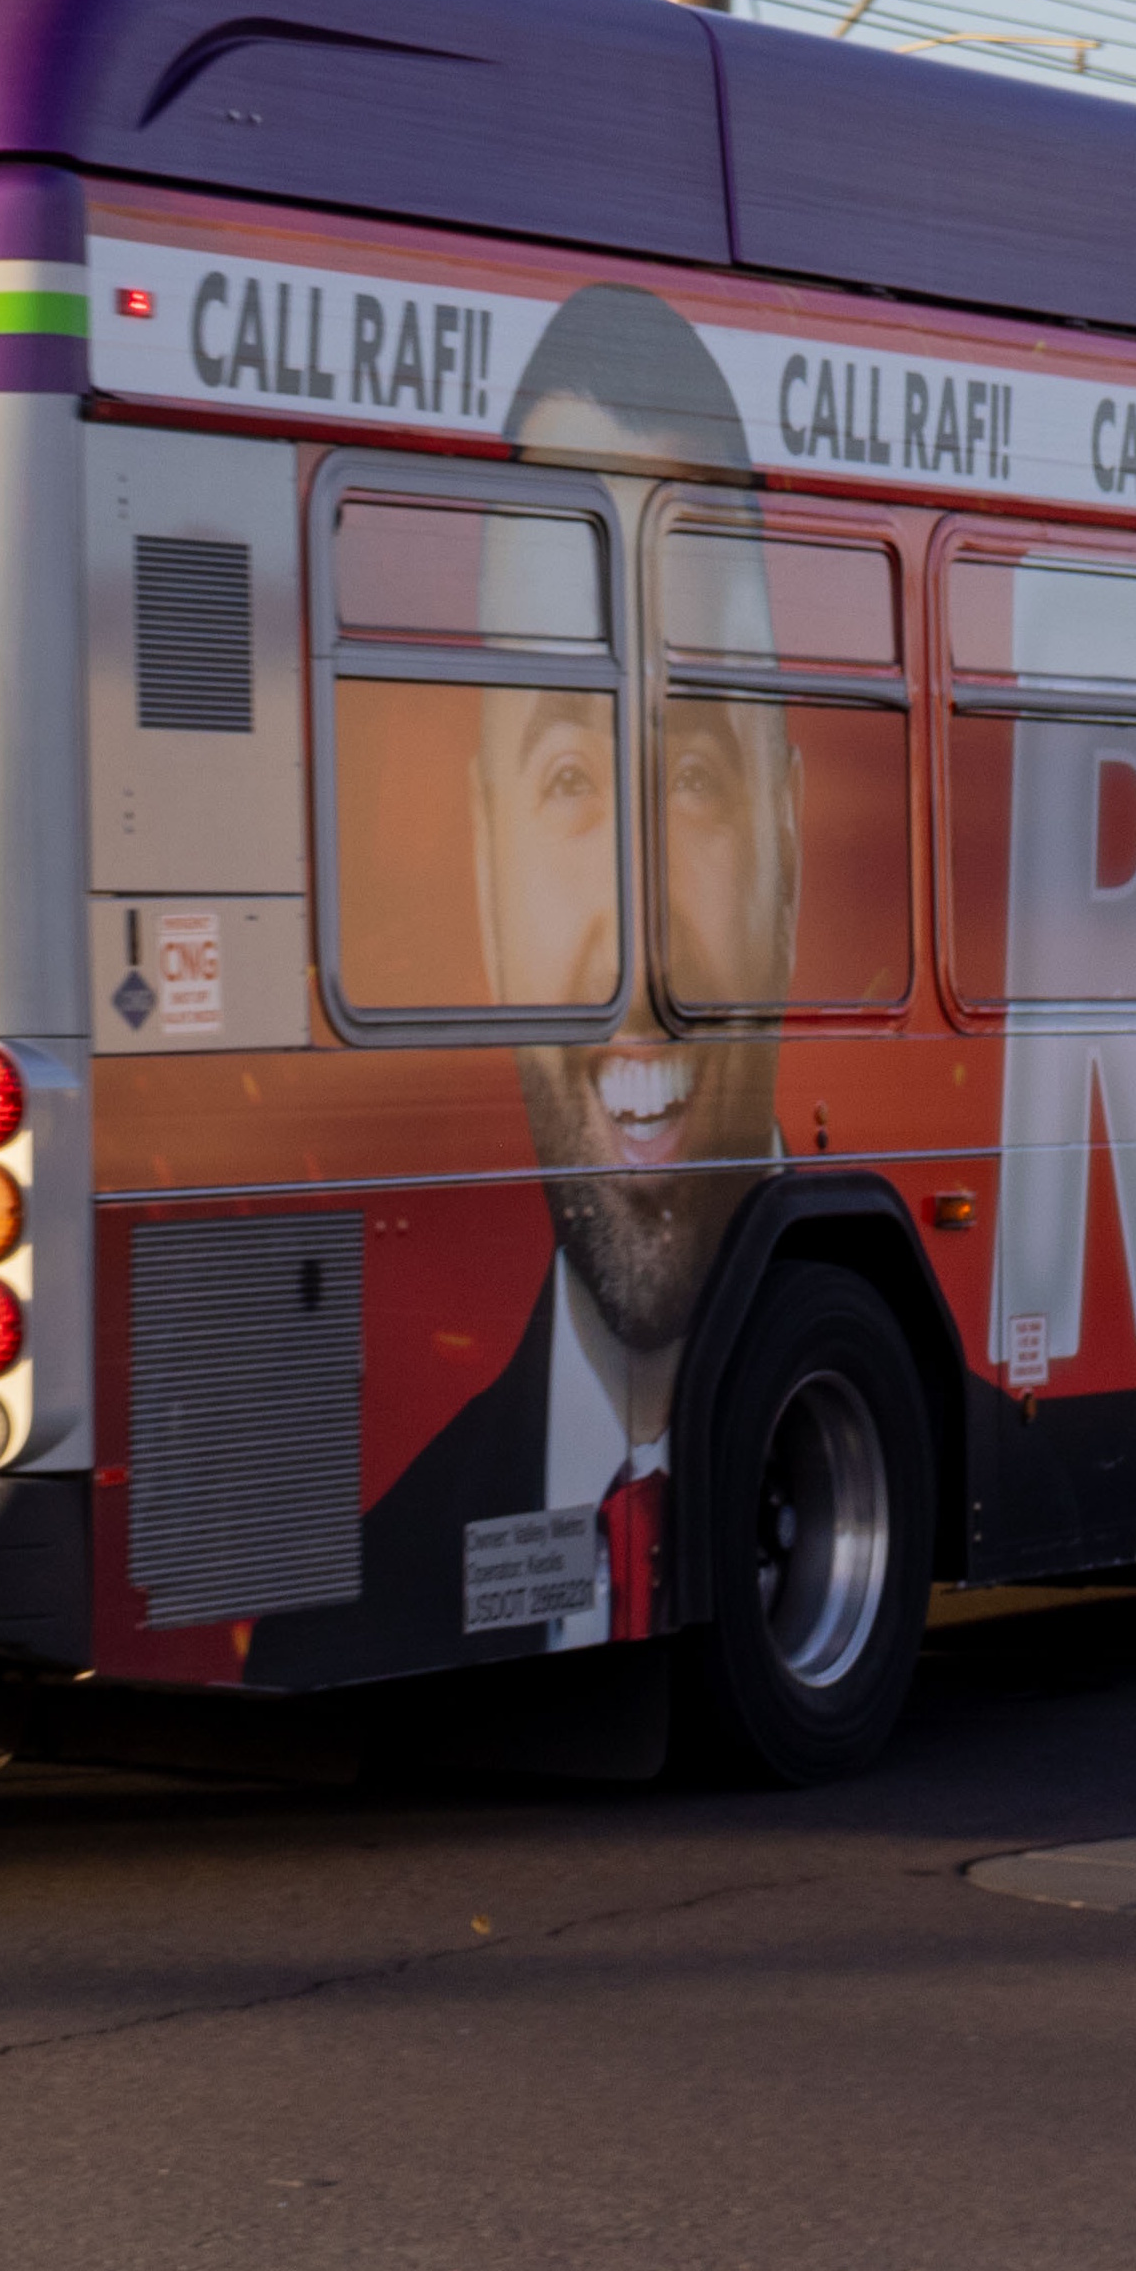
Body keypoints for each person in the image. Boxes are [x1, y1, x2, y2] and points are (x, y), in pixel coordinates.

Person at [256, 282, 796, 1680]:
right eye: (567, 778)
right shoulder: (342, 1600)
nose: (637, 959)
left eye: (692, 778)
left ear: (789, 833)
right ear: (485, 858)